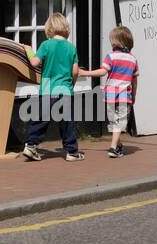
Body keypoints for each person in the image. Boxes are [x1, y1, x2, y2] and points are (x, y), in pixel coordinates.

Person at [21, 12, 103, 162]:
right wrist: (71, 84)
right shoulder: (71, 48)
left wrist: (28, 50)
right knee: (67, 122)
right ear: (65, 27)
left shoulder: (46, 45)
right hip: (65, 89)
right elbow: (75, 71)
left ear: (49, 28)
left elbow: (34, 63)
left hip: (47, 88)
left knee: (41, 118)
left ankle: (31, 145)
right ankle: (71, 152)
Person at [99, 26, 139, 158]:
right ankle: (115, 146)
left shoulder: (110, 57)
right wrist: (133, 96)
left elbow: (103, 72)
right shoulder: (133, 59)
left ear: (117, 42)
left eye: (112, 40)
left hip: (110, 94)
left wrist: (85, 72)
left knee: (113, 122)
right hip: (124, 95)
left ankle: (114, 146)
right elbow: (134, 81)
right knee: (119, 122)